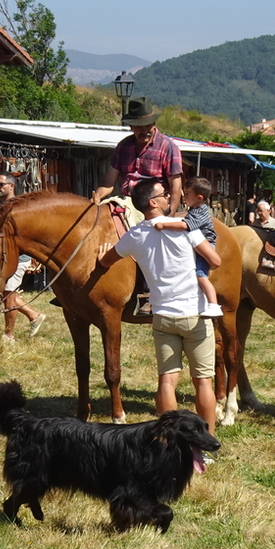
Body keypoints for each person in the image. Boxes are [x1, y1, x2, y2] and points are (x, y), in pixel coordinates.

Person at [97, 179, 221, 431]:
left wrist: (101, 256)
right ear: (153, 202)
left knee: (167, 381)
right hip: (195, 314)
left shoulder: (134, 235)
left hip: (162, 315)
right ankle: (206, 445)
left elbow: (107, 261)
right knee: (203, 382)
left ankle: (170, 441)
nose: (169, 197)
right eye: (164, 194)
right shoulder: (186, 228)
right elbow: (215, 260)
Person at [91, 98, 183, 223]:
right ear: (131, 126)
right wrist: (97, 196)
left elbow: (175, 187)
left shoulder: (168, 147)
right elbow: (108, 183)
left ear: (154, 124)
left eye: (148, 126)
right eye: (140, 127)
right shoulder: (123, 146)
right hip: (125, 200)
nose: (145, 131)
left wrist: (168, 218)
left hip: (152, 205)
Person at [153, 176, 223, 318]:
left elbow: (186, 225)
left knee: (201, 276)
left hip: (206, 243)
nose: (184, 197)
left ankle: (214, 305)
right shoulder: (194, 209)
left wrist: (164, 224)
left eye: (187, 194)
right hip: (198, 243)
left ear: (199, 197)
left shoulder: (200, 212)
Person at [0, 173, 47, 343]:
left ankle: (8, 335)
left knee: (8, 294)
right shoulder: (0, 206)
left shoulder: (18, 207)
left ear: (11, 186)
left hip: (18, 257)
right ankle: (34, 315)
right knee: (5, 293)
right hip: (5, 257)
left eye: (1, 184)